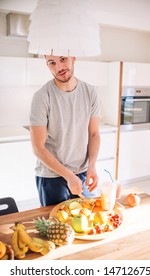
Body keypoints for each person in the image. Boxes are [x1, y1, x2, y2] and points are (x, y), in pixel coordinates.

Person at [29, 55, 100, 207]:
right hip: (51, 175)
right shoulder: (41, 97)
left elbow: (94, 134)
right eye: (52, 63)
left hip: (82, 171)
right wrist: (68, 175)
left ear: (73, 58)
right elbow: (38, 148)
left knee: (87, 221)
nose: (59, 67)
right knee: (56, 225)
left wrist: (92, 166)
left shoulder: (90, 92)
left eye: (62, 59)